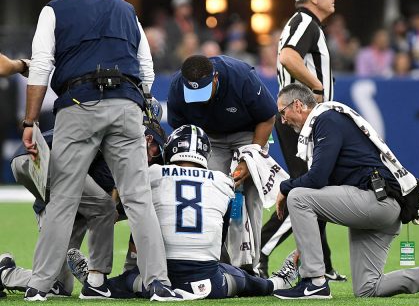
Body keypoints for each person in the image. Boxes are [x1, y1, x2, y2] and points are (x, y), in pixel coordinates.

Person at [22, 0, 180, 301]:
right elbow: (146, 70)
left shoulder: (54, 10)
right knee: (138, 199)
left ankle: (39, 285)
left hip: (78, 102)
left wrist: (30, 122)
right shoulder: (126, 9)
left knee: (63, 199)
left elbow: (40, 67)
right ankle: (158, 283)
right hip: (127, 104)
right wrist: (136, 107)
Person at [272, 83, 419, 299]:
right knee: (367, 288)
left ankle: (313, 282)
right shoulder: (327, 119)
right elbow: (322, 193)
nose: (282, 120)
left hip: (376, 201)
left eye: (282, 112)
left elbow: (316, 179)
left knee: (297, 196)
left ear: (297, 105)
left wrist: (285, 187)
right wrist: (306, 247)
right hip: (381, 204)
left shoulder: (326, 119)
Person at [68, 125, 299, 299]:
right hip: (209, 283)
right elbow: (221, 235)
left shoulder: (154, 173)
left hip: (158, 278)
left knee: (125, 280)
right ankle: (277, 283)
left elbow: (134, 216)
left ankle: (95, 282)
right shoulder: (222, 181)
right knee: (245, 280)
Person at [260, 0, 345, 281]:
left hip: (298, 118)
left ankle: (323, 263)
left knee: (314, 190)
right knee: (307, 191)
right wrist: (318, 88)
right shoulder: (306, 21)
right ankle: (260, 250)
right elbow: (287, 56)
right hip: (301, 119)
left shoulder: (305, 22)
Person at [166, 54, 277, 272]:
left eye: (204, 91)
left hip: (247, 133)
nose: (201, 98)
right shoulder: (177, 87)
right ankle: (214, 261)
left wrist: (250, 157)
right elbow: (181, 131)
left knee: (252, 195)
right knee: (209, 194)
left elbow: (267, 117)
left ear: (215, 78)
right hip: (210, 139)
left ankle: (253, 265)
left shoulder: (241, 77)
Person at [1, 130, 119, 300]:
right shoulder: (115, 142)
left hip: (30, 158)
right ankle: (95, 280)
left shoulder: (102, 126)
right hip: (40, 156)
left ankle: (6, 274)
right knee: (104, 206)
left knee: (61, 285)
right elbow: (107, 199)